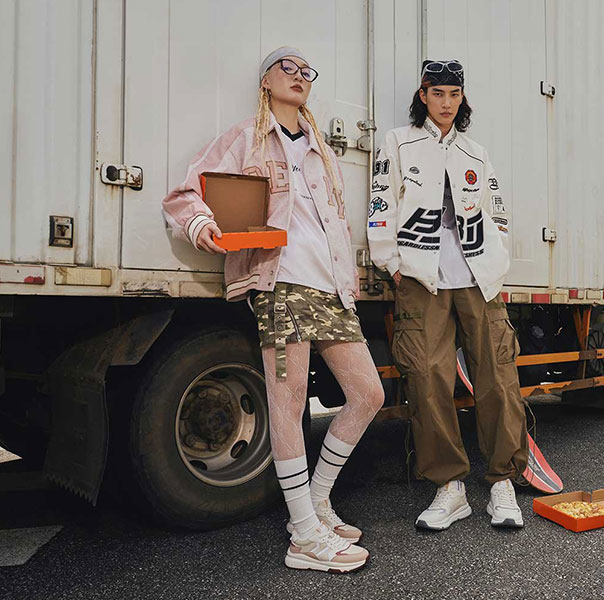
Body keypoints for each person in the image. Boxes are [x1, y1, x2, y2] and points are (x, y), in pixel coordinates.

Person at [162, 47, 383, 572]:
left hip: (329, 287)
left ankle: (317, 503)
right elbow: (185, 194)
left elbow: (335, 223)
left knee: (368, 394)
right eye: (289, 67)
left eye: (308, 71)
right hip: (280, 281)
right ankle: (303, 535)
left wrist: (348, 282)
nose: (300, 76)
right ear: (266, 80)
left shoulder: (320, 149)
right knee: (288, 401)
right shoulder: (247, 138)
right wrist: (201, 225)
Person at [367, 60, 528, 530]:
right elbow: (381, 200)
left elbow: (497, 211)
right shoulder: (398, 143)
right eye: (437, 93)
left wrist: (497, 259)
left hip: (479, 278)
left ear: (462, 98)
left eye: (454, 94)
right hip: (422, 277)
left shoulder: (475, 152)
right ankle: (449, 486)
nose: (446, 103)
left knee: (498, 376)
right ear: (423, 96)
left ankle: (502, 482)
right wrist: (391, 261)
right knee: (428, 378)